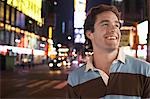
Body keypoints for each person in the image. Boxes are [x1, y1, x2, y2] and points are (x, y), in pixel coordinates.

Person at [67, 4, 150, 99]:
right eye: (105, 24)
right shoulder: (76, 78)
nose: (113, 29)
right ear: (90, 34)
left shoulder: (145, 71)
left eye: (116, 25)